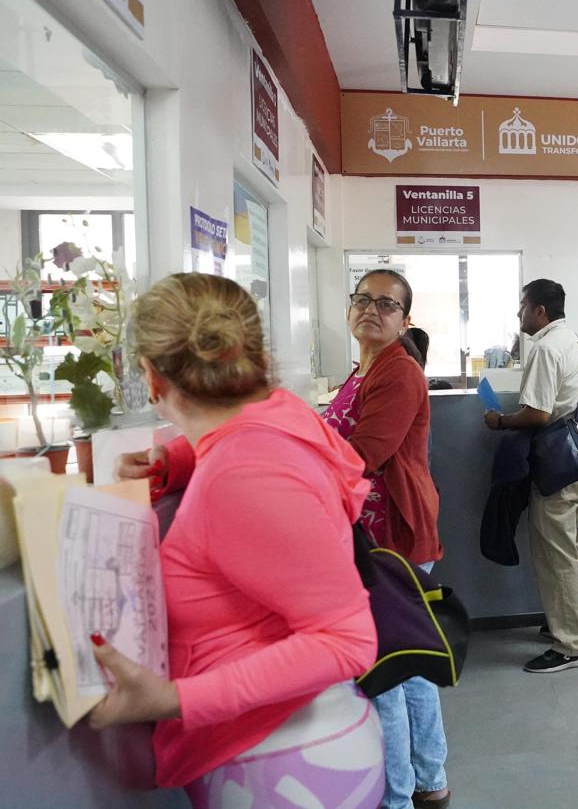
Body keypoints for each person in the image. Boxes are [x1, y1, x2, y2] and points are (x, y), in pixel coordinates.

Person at [101, 273, 382, 807]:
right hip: (296, 749)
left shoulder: (244, 471)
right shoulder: (280, 418)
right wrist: (174, 460)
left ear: (152, 378)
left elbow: (346, 641)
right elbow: (255, 440)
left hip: (280, 765)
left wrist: (175, 698)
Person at [325, 269, 450, 809]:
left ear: (404, 320)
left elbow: (363, 454)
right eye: (362, 300)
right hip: (380, 535)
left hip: (389, 537)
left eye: (386, 304)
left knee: (389, 672)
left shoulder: (398, 371)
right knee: (411, 664)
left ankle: (396, 796)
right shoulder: (367, 367)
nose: (371, 310)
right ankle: (429, 780)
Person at [483, 278, 578, 673]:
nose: (518, 313)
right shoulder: (576, 342)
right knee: (572, 550)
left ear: (539, 310)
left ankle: (572, 646)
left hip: (556, 469)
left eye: (523, 306)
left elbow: (537, 414)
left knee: (557, 556)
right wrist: (575, 419)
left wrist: (500, 421)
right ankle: (577, 625)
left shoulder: (545, 348)